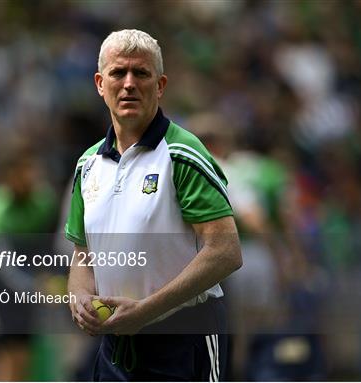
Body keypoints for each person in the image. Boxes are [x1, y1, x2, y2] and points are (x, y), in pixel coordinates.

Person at [65, 29, 242, 381]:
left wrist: (146, 310)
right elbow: (83, 252)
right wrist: (80, 296)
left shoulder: (182, 154)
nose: (129, 83)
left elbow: (226, 250)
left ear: (160, 85)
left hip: (184, 339)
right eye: (118, 73)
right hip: (116, 346)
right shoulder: (87, 165)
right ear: (101, 84)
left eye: (141, 73)